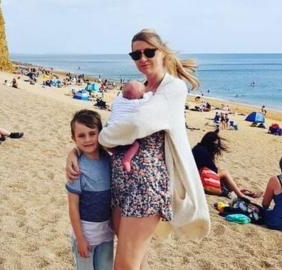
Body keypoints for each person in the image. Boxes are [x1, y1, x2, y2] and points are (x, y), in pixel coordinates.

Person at [66, 29, 210, 269]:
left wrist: (104, 138)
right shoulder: (139, 89)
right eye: (135, 55)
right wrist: (76, 152)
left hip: (146, 186)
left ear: (162, 53)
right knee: (136, 259)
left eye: (148, 52)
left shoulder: (172, 89)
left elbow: (136, 123)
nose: (142, 58)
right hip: (121, 182)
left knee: (124, 265)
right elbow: (114, 122)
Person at [66, 109, 114, 269]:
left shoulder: (109, 160)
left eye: (92, 133)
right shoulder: (76, 167)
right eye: (81, 135)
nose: (87, 139)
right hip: (86, 235)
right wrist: (80, 239)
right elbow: (72, 206)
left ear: (100, 133)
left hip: (106, 234)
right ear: (74, 138)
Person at [192, 130, 261, 199]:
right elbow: (213, 170)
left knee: (225, 178)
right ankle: (241, 195)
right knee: (224, 173)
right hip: (200, 177)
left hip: (197, 175)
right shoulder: (204, 152)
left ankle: (242, 191)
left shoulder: (198, 148)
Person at [107, 80, 146, 172]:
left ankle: (114, 151)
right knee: (135, 144)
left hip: (111, 130)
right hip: (123, 133)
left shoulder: (117, 100)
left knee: (114, 146)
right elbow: (149, 98)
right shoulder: (137, 103)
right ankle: (127, 159)